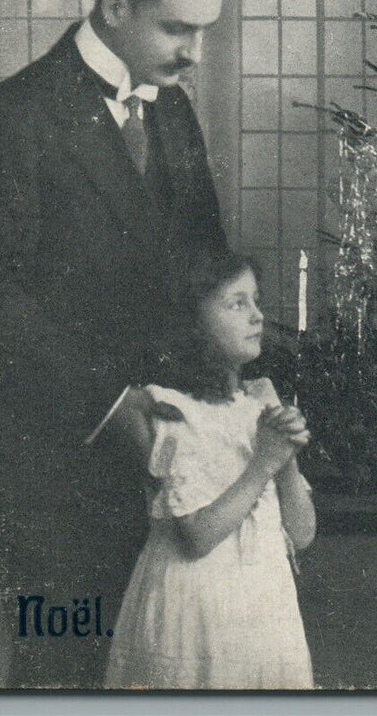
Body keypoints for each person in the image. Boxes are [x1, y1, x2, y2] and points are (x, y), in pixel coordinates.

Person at [0, 0, 229, 687]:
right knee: (61, 673)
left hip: (166, 450)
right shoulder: (10, 118)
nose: (193, 52)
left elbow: (203, 262)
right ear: (115, 8)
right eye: (176, 28)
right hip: (49, 465)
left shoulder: (173, 111)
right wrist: (112, 401)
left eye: (203, 30)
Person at [105, 249, 316, 689]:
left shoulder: (258, 402)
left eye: (256, 301)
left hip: (265, 608)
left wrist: (287, 458)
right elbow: (196, 537)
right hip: (197, 610)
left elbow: (302, 534)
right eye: (237, 304)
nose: (257, 315)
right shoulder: (170, 410)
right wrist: (264, 462)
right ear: (193, 324)